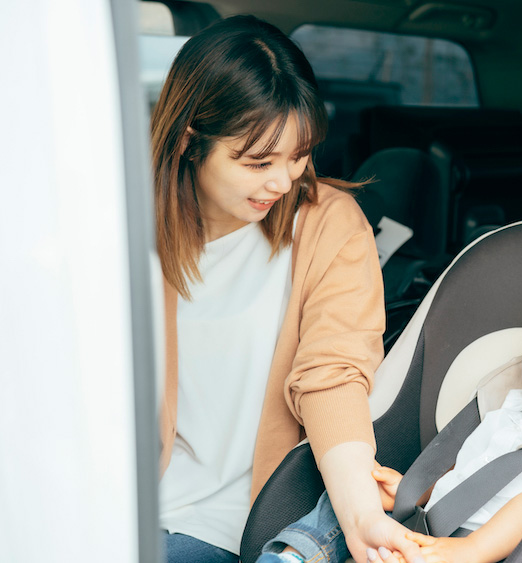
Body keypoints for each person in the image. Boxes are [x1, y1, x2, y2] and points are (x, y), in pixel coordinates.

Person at [151, 15, 422, 563]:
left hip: (229, 526)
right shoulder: (119, 226)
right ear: (189, 140)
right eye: (258, 162)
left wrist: (360, 518)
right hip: (113, 508)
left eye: (298, 156)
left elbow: (333, 375)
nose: (284, 181)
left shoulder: (330, 225)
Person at [257, 275, 522, 563]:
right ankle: (298, 552)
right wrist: (416, 491)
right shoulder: (511, 405)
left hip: (482, 547)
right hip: (430, 526)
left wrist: (468, 552)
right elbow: (470, 471)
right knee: (352, 495)